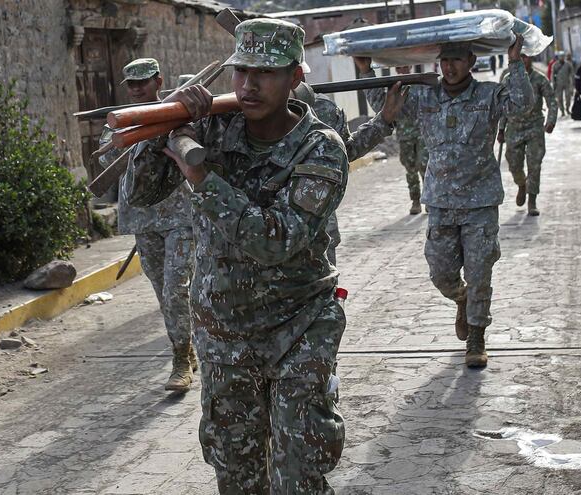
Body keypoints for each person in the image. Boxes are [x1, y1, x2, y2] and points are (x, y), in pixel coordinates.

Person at [124, 19, 395, 493]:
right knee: (237, 474)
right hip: (224, 333)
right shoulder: (214, 127)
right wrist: (165, 127)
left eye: (265, 73)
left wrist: (204, 180)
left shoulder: (321, 147)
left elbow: (275, 242)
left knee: (298, 476)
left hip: (299, 327)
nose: (249, 85)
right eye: (241, 71)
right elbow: (142, 193)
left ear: (295, 77)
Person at [357, 36, 533, 368]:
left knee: (480, 272)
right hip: (440, 202)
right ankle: (462, 299)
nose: (449, 67)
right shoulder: (424, 96)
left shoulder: (488, 95)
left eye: (456, 60)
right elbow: (385, 102)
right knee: (440, 273)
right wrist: (367, 71)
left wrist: (514, 63)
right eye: (444, 61)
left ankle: (477, 338)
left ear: (471, 62)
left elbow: (522, 105)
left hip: (480, 203)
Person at [98, 58, 196, 392]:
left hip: (180, 215)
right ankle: (186, 341)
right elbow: (105, 161)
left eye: (144, 82)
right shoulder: (119, 124)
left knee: (176, 287)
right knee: (161, 289)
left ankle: (181, 358)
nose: (139, 89)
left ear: (158, 81)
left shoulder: (175, 113)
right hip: (143, 217)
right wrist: (127, 142)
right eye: (133, 84)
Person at [292, 72, 405, 261]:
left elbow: (345, 152)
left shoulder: (321, 108)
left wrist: (383, 119)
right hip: (256, 238)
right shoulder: (240, 112)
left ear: (297, 75)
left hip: (314, 233)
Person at [498, 54, 557, 217]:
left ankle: (532, 200)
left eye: (526, 57)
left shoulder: (539, 79)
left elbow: (551, 100)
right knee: (513, 163)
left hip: (534, 127)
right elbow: (502, 105)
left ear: (530, 59)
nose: (523, 60)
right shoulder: (508, 79)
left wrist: (551, 121)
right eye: (520, 57)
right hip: (514, 128)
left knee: (534, 164)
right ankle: (521, 184)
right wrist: (501, 129)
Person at [392, 65, 429, 215]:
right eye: (399, 67)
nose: (402, 70)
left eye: (405, 67)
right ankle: (415, 200)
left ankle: (428, 199)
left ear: (410, 66)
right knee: (410, 168)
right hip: (404, 135)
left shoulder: (419, 85)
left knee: (424, 165)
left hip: (421, 133)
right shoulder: (394, 88)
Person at [552, 51, 574, 117]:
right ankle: (562, 111)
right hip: (559, 84)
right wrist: (554, 84)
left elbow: (572, 73)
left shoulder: (568, 64)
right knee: (559, 98)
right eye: (560, 57)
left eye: (563, 56)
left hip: (567, 83)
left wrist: (572, 83)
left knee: (568, 97)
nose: (561, 58)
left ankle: (567, 108)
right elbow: (553, 75)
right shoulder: (555, 65)